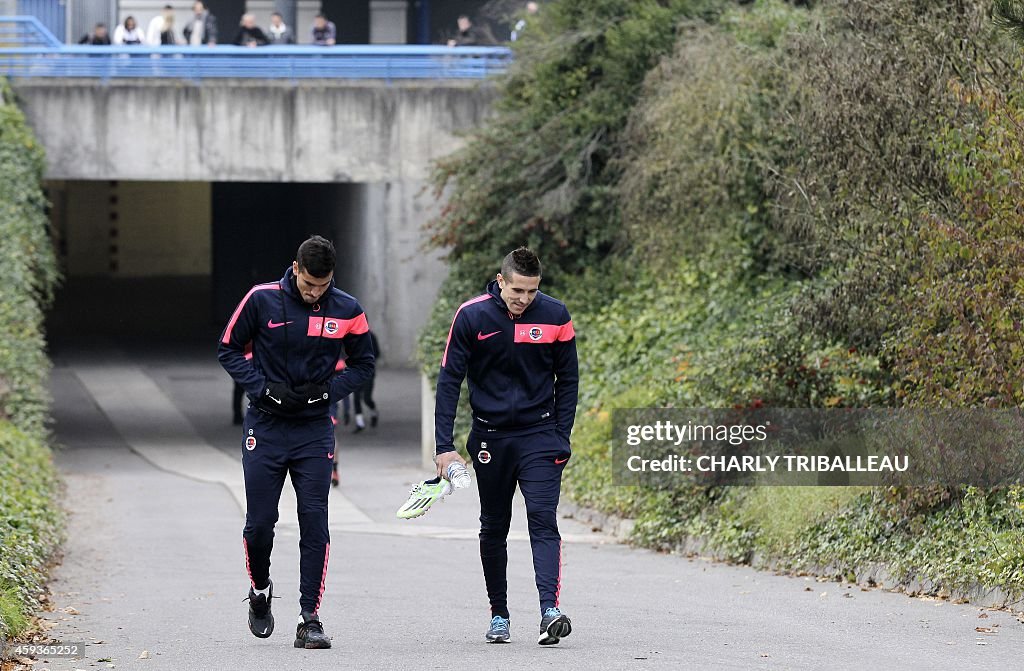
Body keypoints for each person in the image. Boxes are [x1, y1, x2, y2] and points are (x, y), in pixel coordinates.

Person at [218, 235, 375, 649]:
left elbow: (364, 364)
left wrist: (329, 392)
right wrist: (261, 388)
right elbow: (228, 349)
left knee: (315, 522)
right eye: (308, 285)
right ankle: (261, 591)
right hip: (267, 428)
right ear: (295, 269)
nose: (314, 293)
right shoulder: (262, 299)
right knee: (260, 525)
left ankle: (309, 617)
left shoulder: (347, 308)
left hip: (313, 430)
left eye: (322, 287)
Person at [433, 246, 578, 645]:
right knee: (493, 527)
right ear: (500, 282)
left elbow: (568, 381)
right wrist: (443, 445)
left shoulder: (555, 316)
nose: (524, 299)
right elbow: (449, 381)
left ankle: (550, 610)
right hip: (490, 438)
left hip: (539, 437)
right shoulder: (472, 316)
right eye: (517, 290)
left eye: (532, 292)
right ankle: (499, 614)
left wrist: (561, 436)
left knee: (542, 519)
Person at [352, 330, 380, 432]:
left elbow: (377, 353)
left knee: (367, 398)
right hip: (355, 372)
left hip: (368, 372)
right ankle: (360, 423)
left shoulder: (371, 337)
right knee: (356, 398)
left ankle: (374, 412)